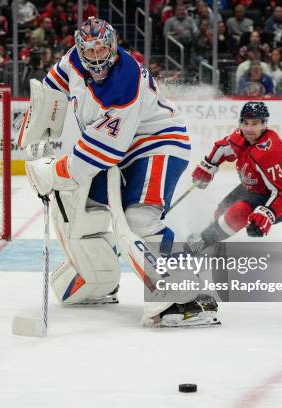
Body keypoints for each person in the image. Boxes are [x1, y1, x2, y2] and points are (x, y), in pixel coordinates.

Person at [25, 17, 217, 328]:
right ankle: (96, 279)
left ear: (113, 46)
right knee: (77, 203)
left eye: (102, 49)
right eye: (89, 51)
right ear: (79, 49)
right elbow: (52, 91)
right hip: (124, 148)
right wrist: (39, 127)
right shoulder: (72, 61)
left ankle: (189, 296)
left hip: (158, 144)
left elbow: (102, 151)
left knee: (139, 219)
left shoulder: (125, 84)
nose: (97, 58)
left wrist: (54, 169)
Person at [185, 101, 282, 254]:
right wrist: (207, 167)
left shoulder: (270, 152)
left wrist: (267, 213)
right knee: (222, 210)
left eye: (255, 123)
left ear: (264, 124)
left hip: (279, 199)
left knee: (238, 212)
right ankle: (212, 238)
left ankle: (204, 241)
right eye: (245, 122)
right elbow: (223, 147)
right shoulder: (241, 136)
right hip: (253, 186)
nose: (249, 128)